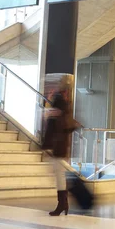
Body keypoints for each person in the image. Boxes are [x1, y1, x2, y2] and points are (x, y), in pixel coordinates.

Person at [42, 79, 77, 216]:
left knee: (59, 176)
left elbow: (53, 126)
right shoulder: (65, 103)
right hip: (61, 145)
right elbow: (69, 126)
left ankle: (62, 204)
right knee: (59, 175)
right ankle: (63, 203)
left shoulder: (59, 102)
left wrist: (46, 145)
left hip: (57, 145)